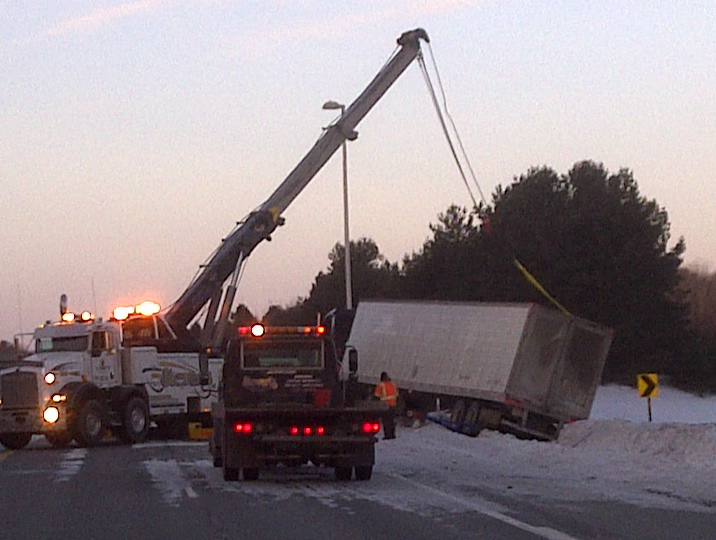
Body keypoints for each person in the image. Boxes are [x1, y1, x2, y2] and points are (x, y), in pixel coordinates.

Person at [373, 371, 399, 439]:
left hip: (385, 406)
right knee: (392, 420)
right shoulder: (393, 384)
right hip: (393, 405)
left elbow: (376, 396)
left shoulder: (381, 385)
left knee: (386, 421)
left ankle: (387, 435)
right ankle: (393, 434)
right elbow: (396, 394)